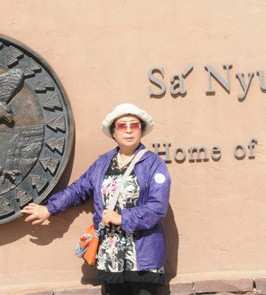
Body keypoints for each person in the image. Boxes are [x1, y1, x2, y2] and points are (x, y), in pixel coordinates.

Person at [22, 103, 171, 295]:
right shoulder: (103, 163)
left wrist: (122, 218)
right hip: (111, 255)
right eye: (122, 125)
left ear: (141, 130)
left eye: (134, 125)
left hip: (143, 255)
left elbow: (157, 207)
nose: (128, 130)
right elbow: (79, 189)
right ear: (113, 133)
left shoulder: (153, 164)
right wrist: (49, 208)